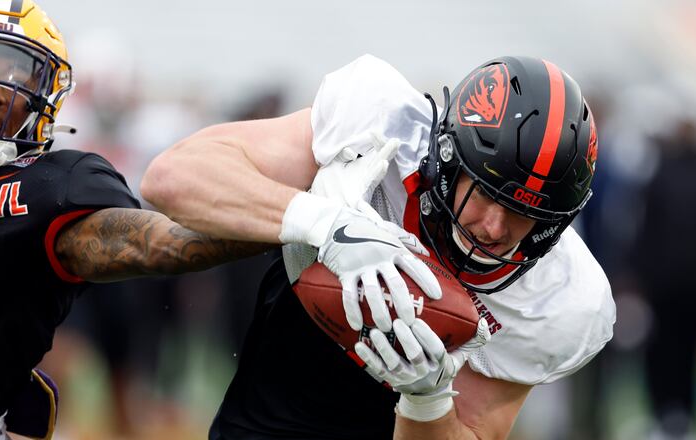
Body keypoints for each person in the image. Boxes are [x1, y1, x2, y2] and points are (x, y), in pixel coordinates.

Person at [143, 53, 616, 439]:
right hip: (280, 388)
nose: (494, 226)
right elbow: (172, 178)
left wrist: (427, 398)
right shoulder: (381, 126)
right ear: (449, 157)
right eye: (487, 192)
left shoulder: (563, 298)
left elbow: (472, 430)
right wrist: (327, 224)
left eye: (525, 212)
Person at [0, 1, 268, 439]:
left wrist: (297, 220)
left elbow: (157, 243)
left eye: (17, 73)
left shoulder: (50, 187)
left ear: (48, 93)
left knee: (120, 367)